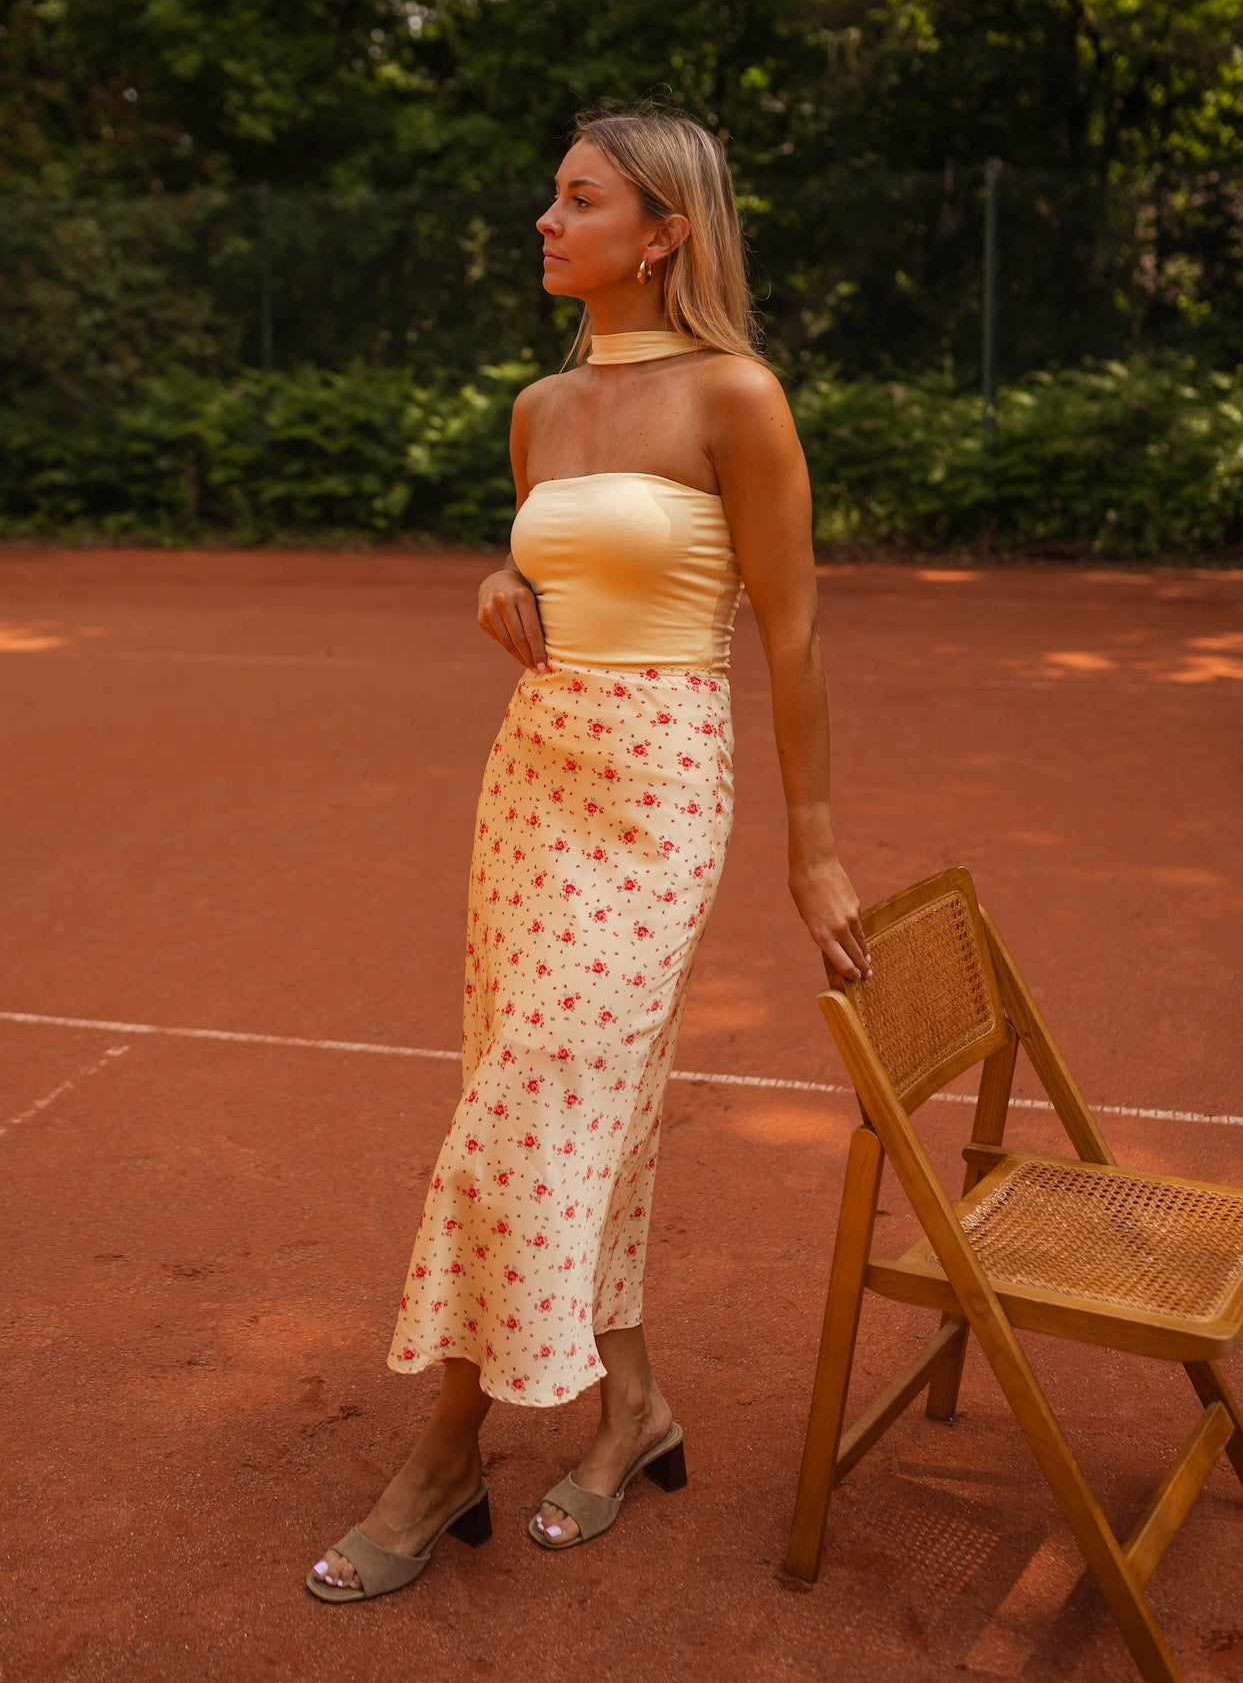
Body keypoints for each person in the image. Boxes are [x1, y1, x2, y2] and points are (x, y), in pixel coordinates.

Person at [306, 102, 872, 1601]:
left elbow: (795, 633)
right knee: (564, 1102)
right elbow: (551, 554)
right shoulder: (542, 407)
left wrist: (814, 852)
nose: (547, 222)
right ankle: (633, 1410)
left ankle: (444, 1460)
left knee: (532, 1100)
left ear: (664, 233)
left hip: (660, 781)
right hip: (533, 775)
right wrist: (500, 575)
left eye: (580, 200)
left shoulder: (737, 396)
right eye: (552, 197)